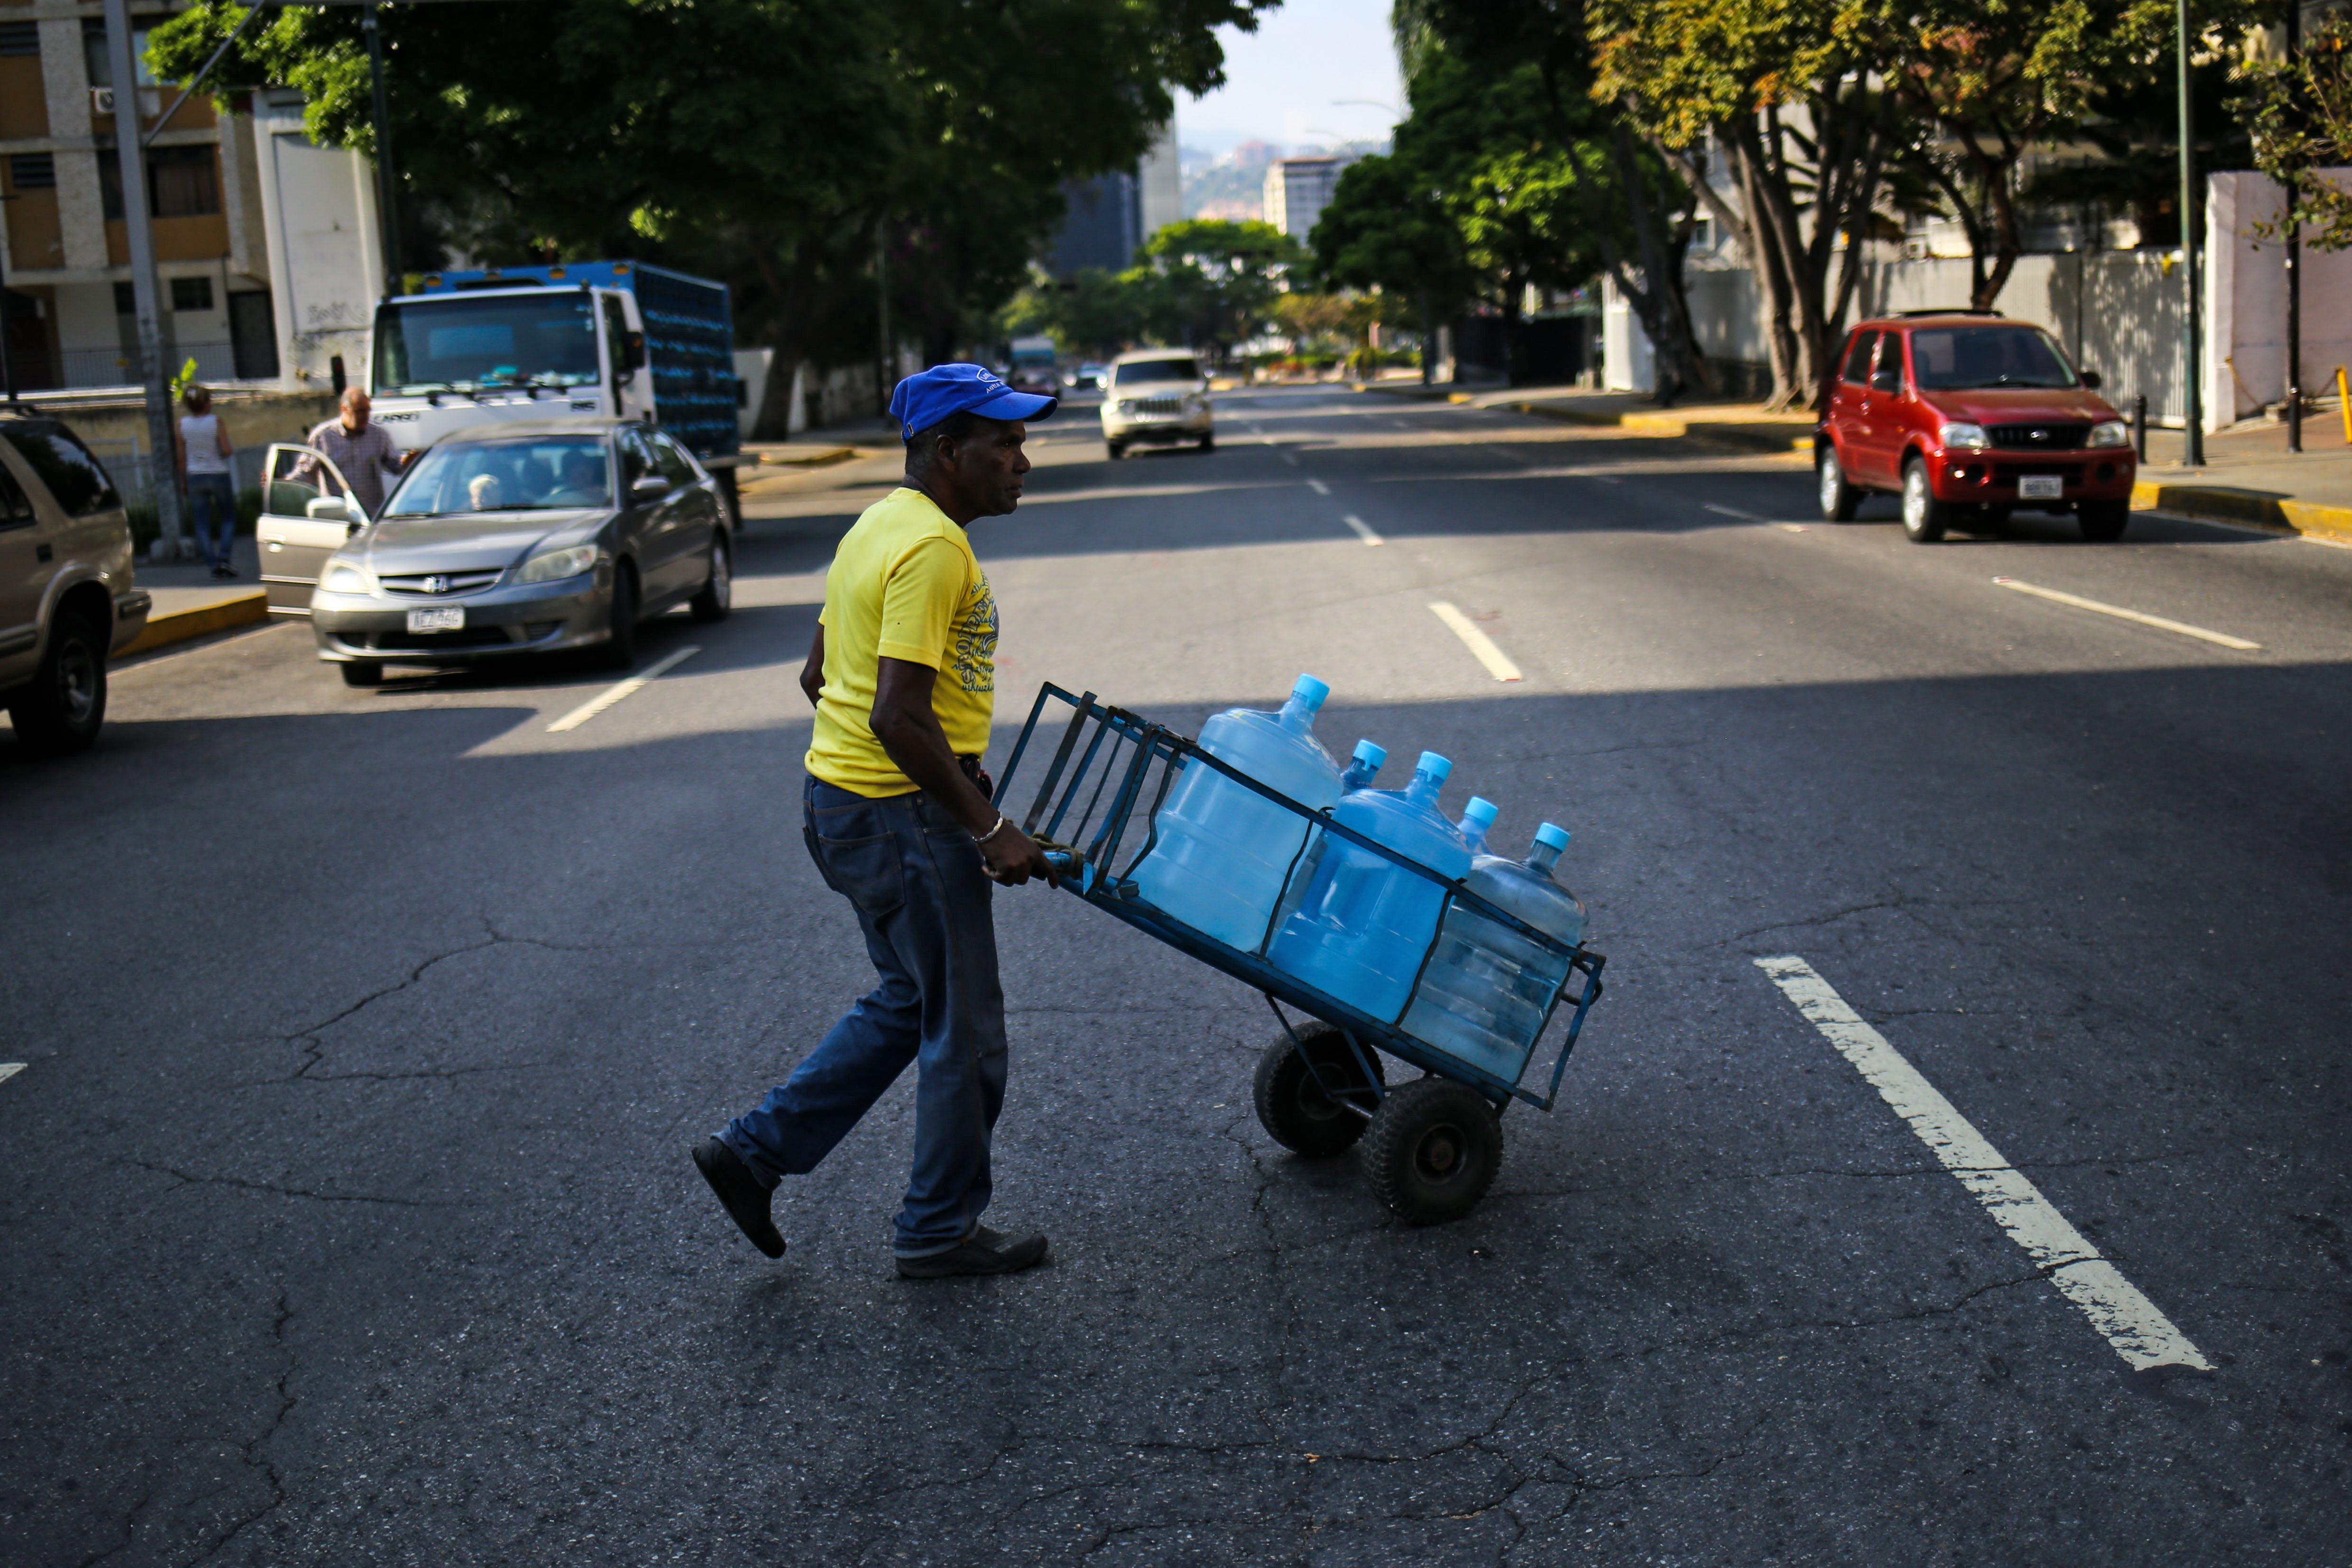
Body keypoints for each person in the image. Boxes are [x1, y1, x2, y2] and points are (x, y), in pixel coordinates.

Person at [694, 363, 1062, 1279]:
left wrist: (944, 764)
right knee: (965, 1028)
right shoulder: (934, 548)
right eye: (1005, 442)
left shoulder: (878, 525)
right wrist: (988, 826)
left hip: (847, 804)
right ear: (948, 450)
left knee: (913, 1001)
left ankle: (754, 1151)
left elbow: (823, 672)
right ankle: (937, 1228)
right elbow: (894, 712)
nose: (1024, 460)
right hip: (902, 817)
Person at [304, 387, 406, 517]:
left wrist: (409, 460)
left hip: (371, 517)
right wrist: (279, 483)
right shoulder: (324, 437)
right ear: (344, 409)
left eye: (368, 411)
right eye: (359, 411)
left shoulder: (378, 435)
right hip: (339, 516)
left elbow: (396, 465)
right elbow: (305, 474)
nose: (365, 416)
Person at [174, 385, 238, 578]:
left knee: (201, 523)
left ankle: (212, 564)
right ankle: (224, 559)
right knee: (228, 518)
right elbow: (226, 450)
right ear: (207, 403)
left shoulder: (181, 425)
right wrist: (224, 451)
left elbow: (181, 458)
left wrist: (184, 482)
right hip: (219, 474)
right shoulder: (216, 422)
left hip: (195, 476)